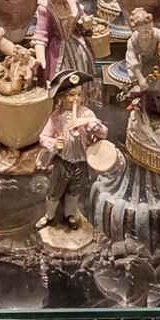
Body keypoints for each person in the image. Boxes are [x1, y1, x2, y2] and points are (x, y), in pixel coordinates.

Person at [36, 70, 108, 231]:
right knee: (54, 191)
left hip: (81, 161)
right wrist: (55, 143)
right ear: (61, 98)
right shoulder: (56, 116)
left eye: (79, 95)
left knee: (74, 190)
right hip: (63, 161)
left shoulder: (86, 113)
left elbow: (103, 133)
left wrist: (86, 122)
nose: (76, 99)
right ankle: (49, 215)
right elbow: (43, 136)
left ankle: (69, 214)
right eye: (71, 95)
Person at [33, 0, 97, 87]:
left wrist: (85, 21)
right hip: (57, 49)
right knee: (61, 80)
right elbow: (40, 34)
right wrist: (40, 57)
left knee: (82, 72)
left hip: (76, 43)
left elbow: (81, 15)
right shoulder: (45, 7)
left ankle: (82, 97)